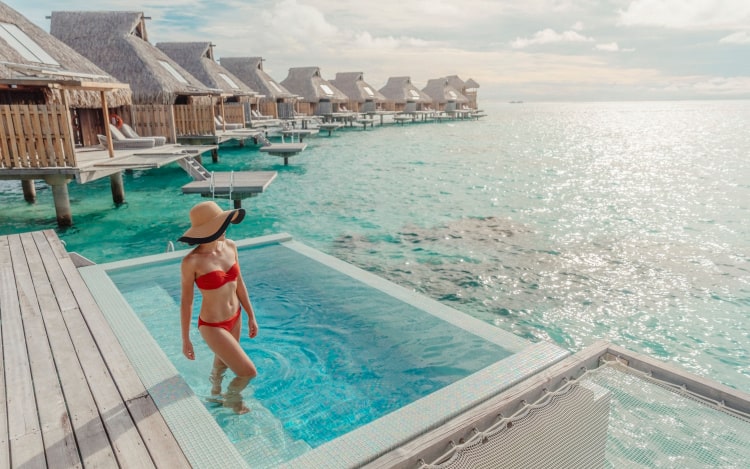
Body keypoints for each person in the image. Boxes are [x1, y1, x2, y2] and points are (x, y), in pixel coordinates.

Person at [179, 201, 259, 414]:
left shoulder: (231, 246)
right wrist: (186, 338)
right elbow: (187, 302)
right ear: (210, 230)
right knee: (248, 372)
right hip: (212, 325)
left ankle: (215, 391)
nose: (226, 228)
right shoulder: (192, 262)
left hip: (236, 317)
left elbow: (239, 283)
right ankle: (232, 400)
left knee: (223, 360)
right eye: (222, 224)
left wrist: (251, 315)